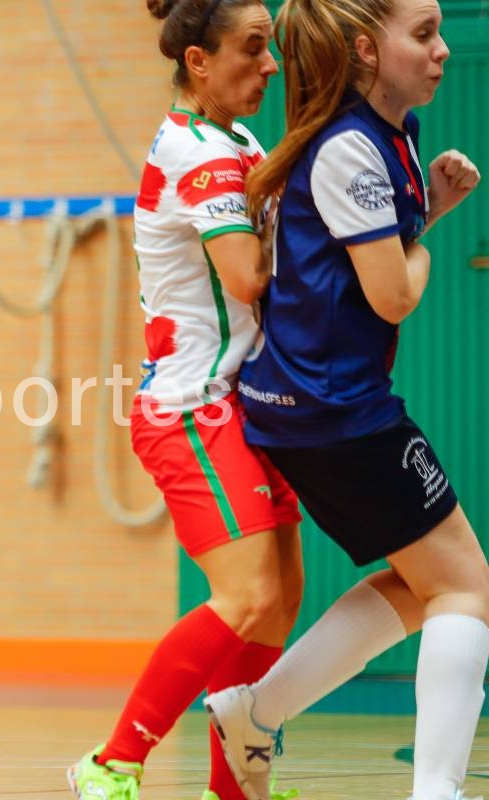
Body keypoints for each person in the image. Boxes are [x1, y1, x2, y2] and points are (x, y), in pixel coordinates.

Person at [203, 1, 487, 799]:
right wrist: (426, 235)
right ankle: (438, 790)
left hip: (312, 410)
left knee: (419, 584)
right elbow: (394, 292)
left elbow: (365, 262)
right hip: (334, 411)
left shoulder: (390, 135)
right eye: (424, 34)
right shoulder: (351, 148)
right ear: (367, 49)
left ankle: (254, 712)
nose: (442, 51)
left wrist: (425, 205)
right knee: (467, 585)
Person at [67, 2, 303, 798]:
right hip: (193, 408)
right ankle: (113, 764)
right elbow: (247, 278)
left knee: (277, 608)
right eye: (253, 49)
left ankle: (230, 789)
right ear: (199, 61)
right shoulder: (199, 153)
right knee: (246, 595)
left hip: (247, 403)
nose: (269, 66)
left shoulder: (239, 139)